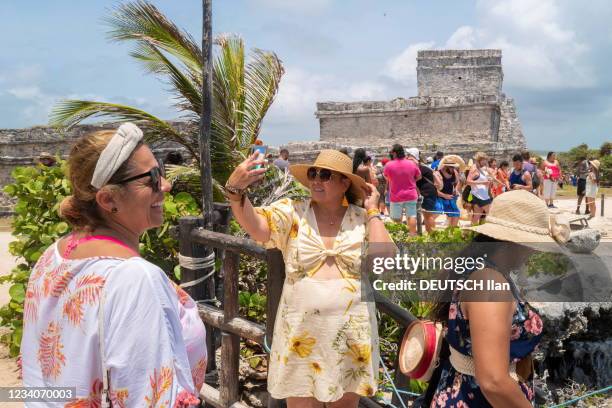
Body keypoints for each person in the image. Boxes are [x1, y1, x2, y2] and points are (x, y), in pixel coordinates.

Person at [21, 123, 206, 407]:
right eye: (152, 178)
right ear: (108, 199)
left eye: (162, 173)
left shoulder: (53, 256)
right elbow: (149, 397)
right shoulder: (134, 278)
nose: (166, 186)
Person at [224, 149, 392, 407]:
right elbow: (258, 228)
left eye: (325, 175)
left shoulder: (361, 219)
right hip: (301, 331)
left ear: (345, 182)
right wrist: (235, 192)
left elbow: (384, 259)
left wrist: (373, 211)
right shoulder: (293, 212)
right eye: (313, 173)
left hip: (351, 333)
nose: (316, 180)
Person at [428, 190, 569, 407]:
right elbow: (493, 381)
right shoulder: (490, 284)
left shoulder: (479, 269)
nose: (533, 251)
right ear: (515, 242)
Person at [384, 144, 421, 233]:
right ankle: (412, 236)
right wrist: (411, 180)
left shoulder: (389, 165)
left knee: (396, 218)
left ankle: (399, 237)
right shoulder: (411, 163)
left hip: (396, 195)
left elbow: (387, 177)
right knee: (411, 216)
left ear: (395, 153)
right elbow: (419, 176)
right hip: (411, 194)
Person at [407, 148, 438, 232]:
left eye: (408, 155)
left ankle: (432, 236)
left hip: (427, 192)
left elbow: (416, 177)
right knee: (427, 215)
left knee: (428, 215)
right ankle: (430, 235)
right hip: (429, 192)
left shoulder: (417, 166)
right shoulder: (422, 166)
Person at [467, 152, 492, 226]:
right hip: (480, 196)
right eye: (484, 160)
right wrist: (483, 182)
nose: (485, 162)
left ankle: (471, 233)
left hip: (480, 195)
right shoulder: (474, 169)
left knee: (477, 216)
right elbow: (468, 181)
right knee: (491, 213)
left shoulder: (479, 169)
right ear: (479, 160)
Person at [436, 161, 461, 228]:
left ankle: (452, 232)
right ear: (445, 166)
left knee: (456, 214)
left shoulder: (454, 172)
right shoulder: (437, 174)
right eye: (451, 167)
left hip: (450, 197)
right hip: (438, 198)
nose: (453, 169)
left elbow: (458, 182)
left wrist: (456, 189)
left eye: (453, 167)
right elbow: (434, 190)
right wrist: (444, 196)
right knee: (434, 214)